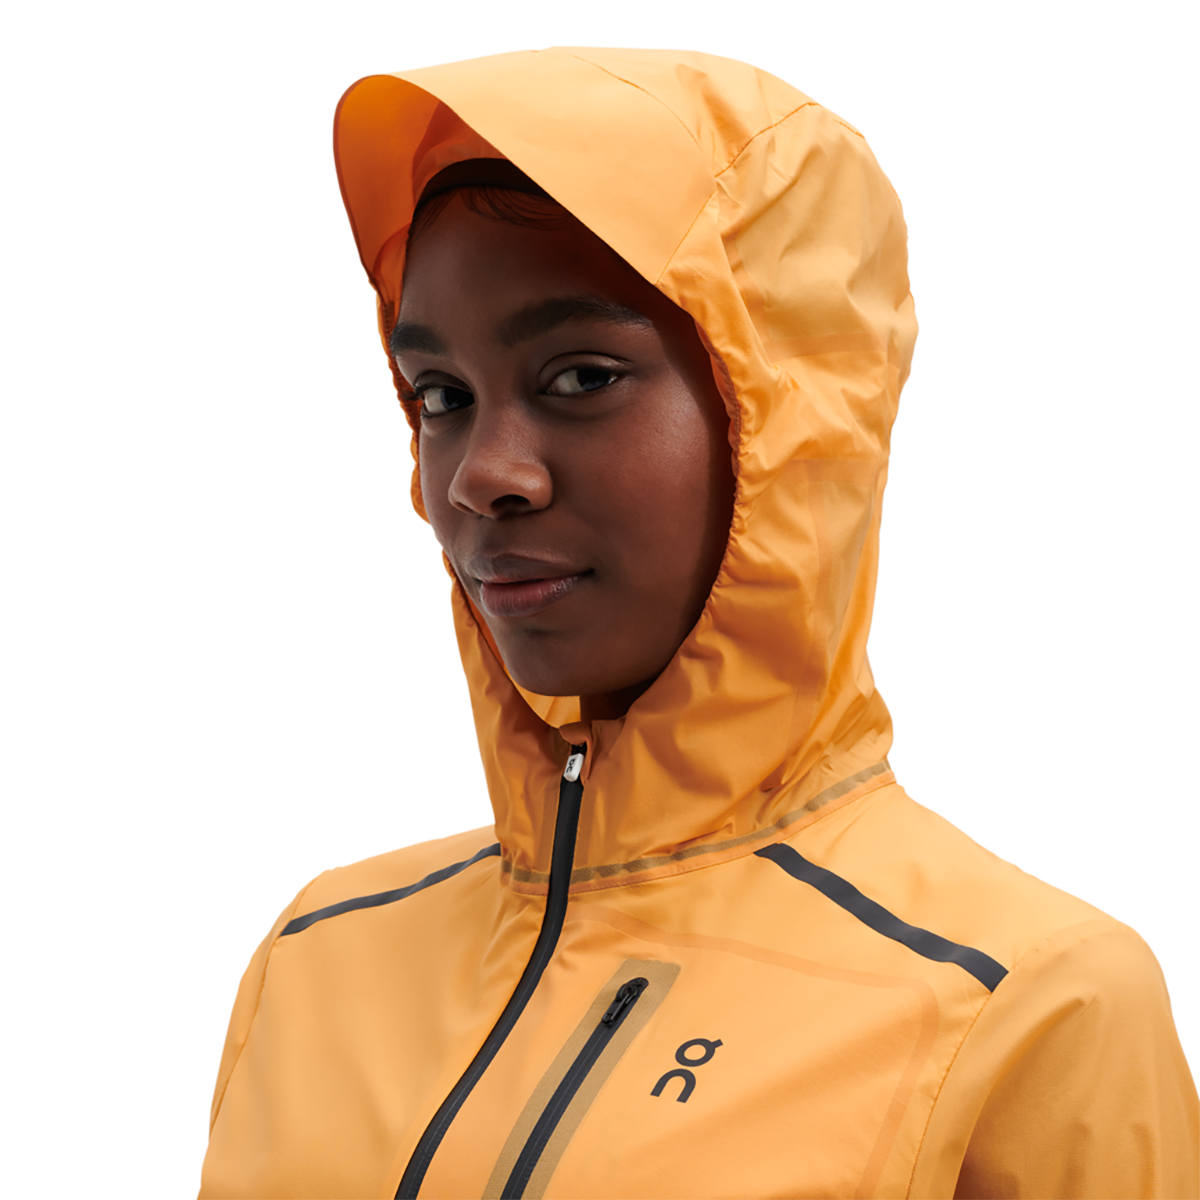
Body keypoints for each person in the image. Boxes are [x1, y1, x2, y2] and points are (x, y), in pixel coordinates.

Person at [197, 47, 1200, 1199]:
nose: (479, 474)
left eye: (581, 377)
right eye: (441, 396)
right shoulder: (319, 955)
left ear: (788, 418)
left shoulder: (1021, 1001)